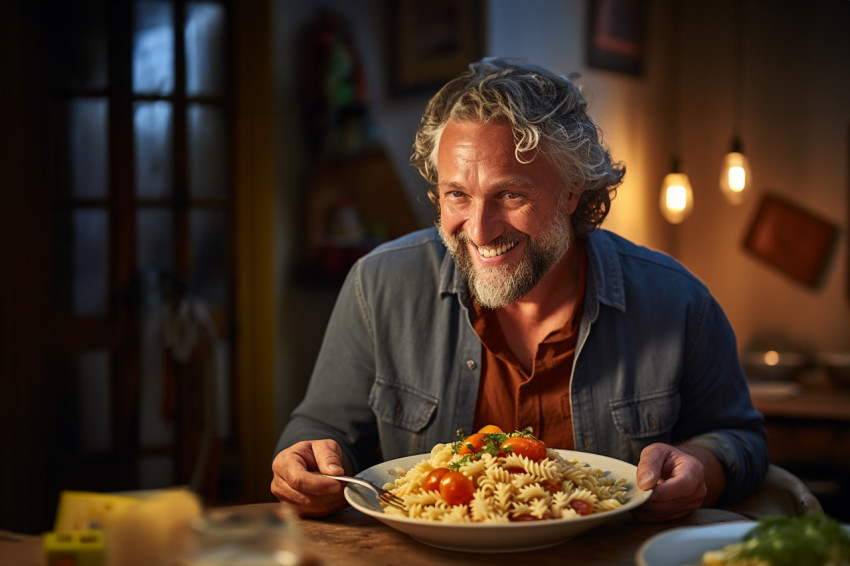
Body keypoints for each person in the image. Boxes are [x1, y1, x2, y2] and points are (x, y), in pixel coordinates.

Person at [271, 58, 768, 522]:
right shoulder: (377, 286)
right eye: (457, 195)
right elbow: (323, 431)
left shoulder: (678, 301)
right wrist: (305, 459)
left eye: (511, 194)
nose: (481, 231)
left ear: (573, 191)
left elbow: (741, 437)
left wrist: (701, 463)